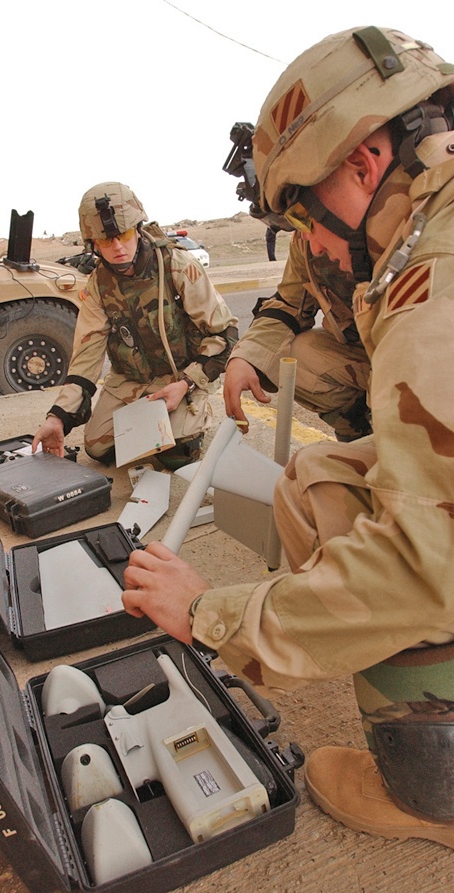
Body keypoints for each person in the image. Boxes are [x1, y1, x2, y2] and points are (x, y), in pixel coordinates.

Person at [122, 26, 454, 847]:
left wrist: (207, 612)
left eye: (305, 221)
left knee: (333, 496)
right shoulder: (425, 207)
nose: (307, 246)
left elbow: (418, 569)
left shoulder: (432, 299)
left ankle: (433, 794)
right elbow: (294, 302)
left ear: (363, 165)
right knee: (329, 475)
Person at [32, 182, 238, 470]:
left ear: (138, 229)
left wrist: (187, 383)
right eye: (106, 241)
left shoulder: (177, 266)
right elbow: (86, 358)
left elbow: (224, 334)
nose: (117, 247)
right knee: (98, 449)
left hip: (182, 375)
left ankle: (195, 412)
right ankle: (153, 416)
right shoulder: (98, 286)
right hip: (131, 379)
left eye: (124, 235)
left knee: (177, 455)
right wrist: (58, 417)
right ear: (93, 244)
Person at [224, 229, 372, 441]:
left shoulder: (408, 230)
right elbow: (290, 303)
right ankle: (360, 435)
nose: (314, 247)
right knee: (295, 355)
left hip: (415, 361)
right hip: (368, 353)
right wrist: (244, 356)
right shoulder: (307, 236)